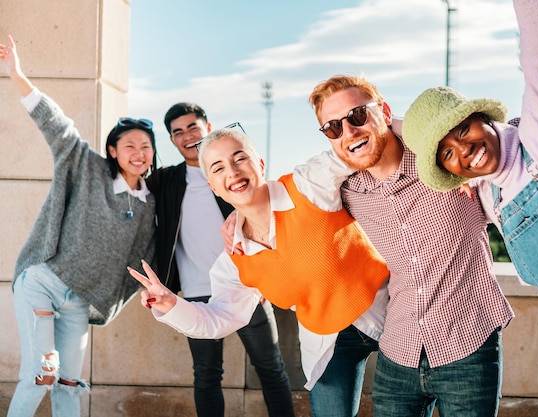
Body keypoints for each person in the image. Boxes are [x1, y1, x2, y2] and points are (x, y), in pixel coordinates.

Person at [305, 43, 538, 417]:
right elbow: (286, 200)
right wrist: (238, 218)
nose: (348, 130)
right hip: (398, 353)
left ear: (385, 113)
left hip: (468, 349)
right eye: (333, 126)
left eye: (358, 114)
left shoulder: (456, 163)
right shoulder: (347, 194)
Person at [401, 0, 538, 415]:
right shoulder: (488, 197)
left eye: (463, 130)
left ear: (483, 117)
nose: (465, 150)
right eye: (446, 153)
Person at [129, 126, 390, 417]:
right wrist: (171, 304)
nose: (232, 171)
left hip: (394, 315)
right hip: (329, 343)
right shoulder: (235, 259)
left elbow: (360, 145)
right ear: (212, 186)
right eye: (218, 168)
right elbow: (219, 318)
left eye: (240, 158)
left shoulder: (305, 185)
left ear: (260, 164)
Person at [1, 35, 156, 417]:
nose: (139, 153)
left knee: (69, 383)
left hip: (79, 302)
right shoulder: (89, 167)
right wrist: (18, 75)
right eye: (130, 145)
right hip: (44, 282)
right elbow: (58, 125)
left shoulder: (151, 203)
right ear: (114, 151)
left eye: (146, 146)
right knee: (42, 373)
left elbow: (151, 255)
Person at [146, 103, 294, 417]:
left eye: (193, 127)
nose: (187, 136)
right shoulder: (167, 181)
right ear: (172, 140)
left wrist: (265, 275)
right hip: (196, 291)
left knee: (270, 367)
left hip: (248, 287)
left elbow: (265, 210)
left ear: (208, 127)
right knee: (207, 374)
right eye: (178, 132)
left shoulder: (233, 178)